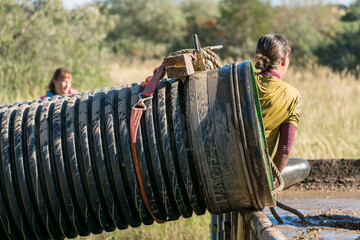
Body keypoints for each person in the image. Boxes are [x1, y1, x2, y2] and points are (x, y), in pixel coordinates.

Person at [254, 33, 302, 174]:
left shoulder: (239, 80)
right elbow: (285, 150)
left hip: (222, 166)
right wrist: (270, 185)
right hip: (256, 175)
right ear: (284, 59)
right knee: (302, 166)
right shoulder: (292, 95)